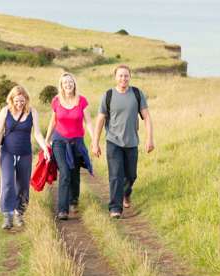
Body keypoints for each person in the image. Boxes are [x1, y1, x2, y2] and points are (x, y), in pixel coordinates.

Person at [92, 65, 154, 219]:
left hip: (132, 142)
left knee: (131, 175)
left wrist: (149, 138)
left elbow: (146, 117)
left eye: (126, 76)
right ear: (115, 77)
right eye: (120, 76)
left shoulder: (137, 94)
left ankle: (126, 193)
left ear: (130, 77)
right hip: (113, 141)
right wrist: (95, 142)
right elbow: (100, 120)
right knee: (115, 174)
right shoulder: (108, 95)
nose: (123, 79)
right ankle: (115, 207)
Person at [0, 85, 50, 229]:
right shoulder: (5, 112)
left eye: (22, 101)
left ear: (26, 100)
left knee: (23, 185)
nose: (19, 104)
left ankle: (19, 214)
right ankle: (7, 215)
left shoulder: (32, 112)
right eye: (16, 101)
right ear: (11, 99)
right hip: (7, 153)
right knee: (7, 183)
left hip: (25, 153)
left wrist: (45, 148)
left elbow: (37, 133)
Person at [46, 72, 94, 220]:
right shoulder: (56, 101)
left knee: (74, 174)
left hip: (77, 142)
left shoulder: (82, 101)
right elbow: (53, 121)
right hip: (59, 142)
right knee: (65, 172)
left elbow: (89, 122)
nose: (68, 84)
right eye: (65, 82)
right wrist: (47, 140)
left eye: (70, 82)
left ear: (74, 84)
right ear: (61, 85)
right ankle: (62, 209)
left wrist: (94, 140)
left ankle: (74, 200)